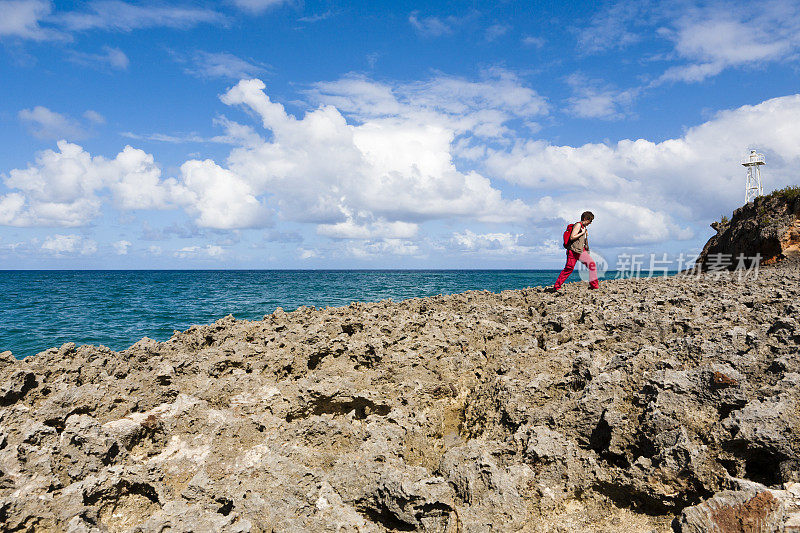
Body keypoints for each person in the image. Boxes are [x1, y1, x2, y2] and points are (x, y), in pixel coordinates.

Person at [553, 211, 599, 291]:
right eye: (590, 221)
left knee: (592, 265)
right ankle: (557, 286)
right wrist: (582, 233)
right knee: (568, 269)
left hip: (581, 250)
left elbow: (582, 240)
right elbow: (572, 237)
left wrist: (585, 237)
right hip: (573, 250)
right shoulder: (578, 225)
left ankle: (594, 286)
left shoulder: (584, 227)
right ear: (585, 219)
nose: (590, 223)